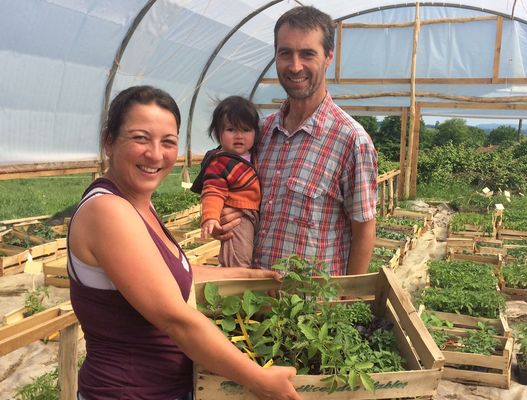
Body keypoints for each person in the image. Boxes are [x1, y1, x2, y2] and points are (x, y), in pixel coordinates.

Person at [67, 85, 300, 400]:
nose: (155, 154)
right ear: (109, 141)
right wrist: (258, 379)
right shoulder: (107, 210)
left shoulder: (139, 204)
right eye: (140, 138)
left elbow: (177, 274)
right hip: (128, 392)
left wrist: (256, 276)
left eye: (168, 142)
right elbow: (175, 318)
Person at [217, 6, 378, 277]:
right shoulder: (261, 132)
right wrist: (230, 214)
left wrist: (347, 299)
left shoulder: (351, 140)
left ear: (328, 58)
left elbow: (364, 230)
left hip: (310, 310)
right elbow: (240, 193)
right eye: (285, 53)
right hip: (249, 299)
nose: (294, 66)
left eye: (307, 54)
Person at [190, 96, 260, 268]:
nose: (239, 136)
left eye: (246, 129)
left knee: (251, 254)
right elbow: (213, 191)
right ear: (217, 133)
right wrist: (211, 217)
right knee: (238, 258)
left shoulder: (256, 155)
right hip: (238, 216)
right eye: (230, 129)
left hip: (255, 214)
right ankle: (237, 287)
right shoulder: (220, 162)